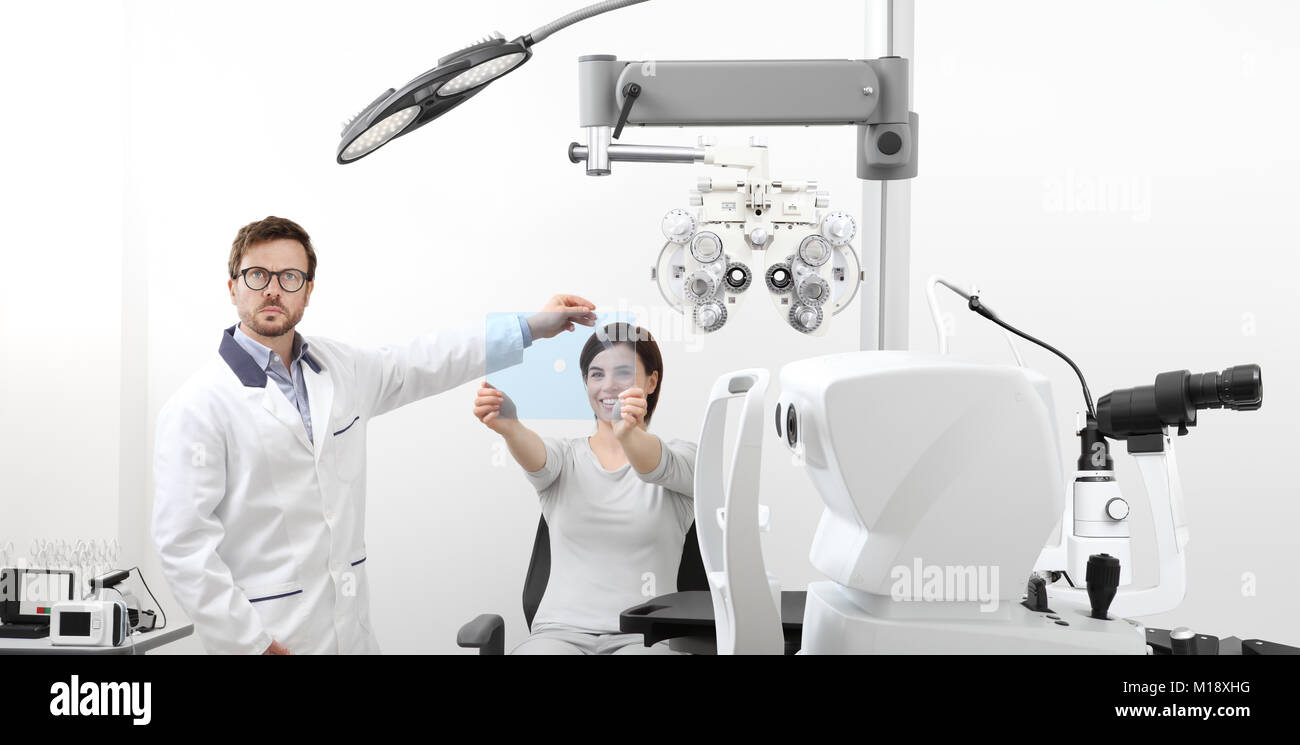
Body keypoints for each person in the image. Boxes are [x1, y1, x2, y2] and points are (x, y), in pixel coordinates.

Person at [152, 215, 595, 654]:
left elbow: (427, 359)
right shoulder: (198, 405)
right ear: (233, 287)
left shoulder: (340, 370)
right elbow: (184, 545)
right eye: (256, 275)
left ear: (308, 290)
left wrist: (535, 326)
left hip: (350, 633)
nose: (272, 289)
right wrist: (252, 644)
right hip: (268, 635)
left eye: (289, 276)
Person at [472, 323, 696, 654]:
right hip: (558, 633)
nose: (608, 386)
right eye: (596, 374)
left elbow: (655, 468)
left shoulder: (685, 458)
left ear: (651, 380)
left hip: (644, 637)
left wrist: (628, 434)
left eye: (622, 372)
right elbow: (539, 459)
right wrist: (511, 428)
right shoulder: (565, 457)